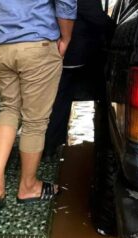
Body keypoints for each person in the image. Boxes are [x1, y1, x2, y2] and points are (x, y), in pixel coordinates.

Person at [0, 0, 77, 210]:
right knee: (35, 121)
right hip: (38, 43)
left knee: (9, 108)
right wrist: (66, 37)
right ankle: (28, 186)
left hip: (1, 45)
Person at [43, 0, 114, 160]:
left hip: (62, 48)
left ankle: (51, 145)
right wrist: (116, 29)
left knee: (59, 98)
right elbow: (94, 16)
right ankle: (51, 145)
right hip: (73, 50)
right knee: (62, 99)